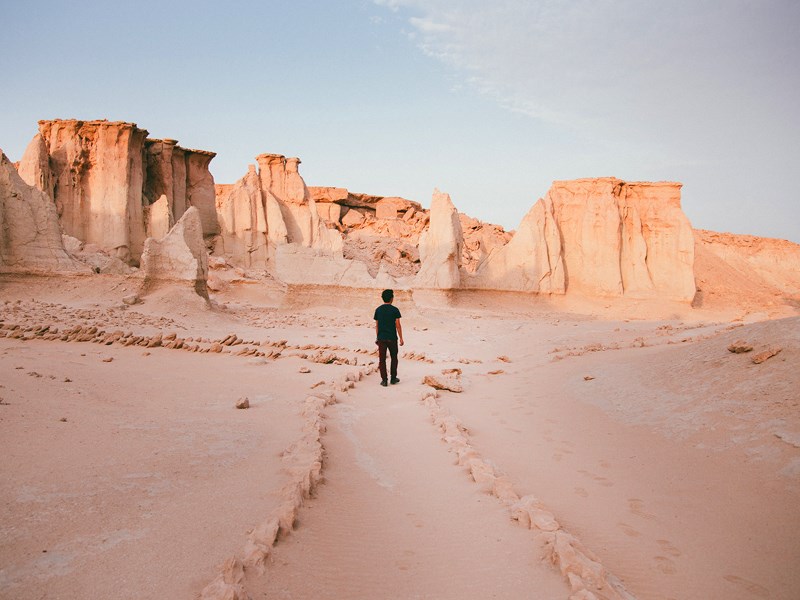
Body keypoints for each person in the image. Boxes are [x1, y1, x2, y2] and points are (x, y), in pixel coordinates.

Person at [373, 288, 404, 387]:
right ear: (391, 298)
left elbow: (377, 325)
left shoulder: (378, 310)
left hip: (381, 338)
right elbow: (398, 325)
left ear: (383, 298)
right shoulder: (395, 310)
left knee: (382, 359)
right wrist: (401, 338)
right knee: (394, 358)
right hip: (392, 338)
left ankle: (384, 380)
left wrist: (377, 337)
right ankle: (393, 378)